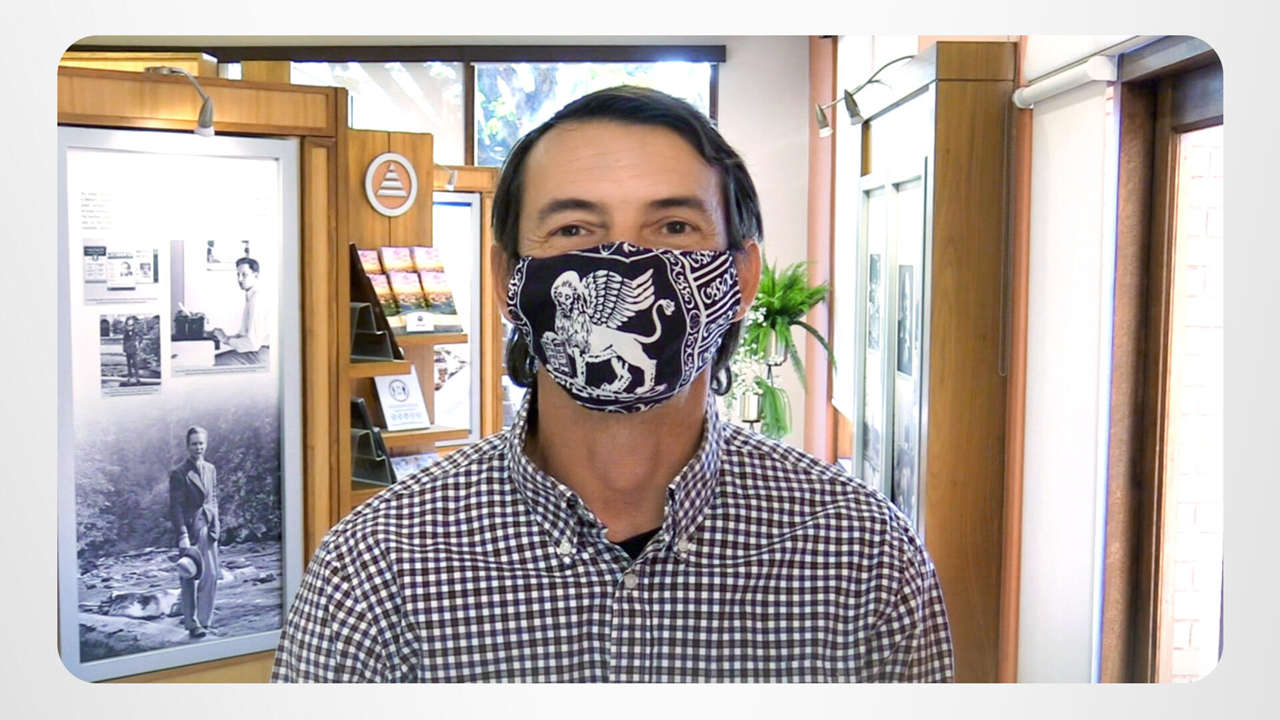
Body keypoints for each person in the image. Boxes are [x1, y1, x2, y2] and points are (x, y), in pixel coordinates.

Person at [272, 86, 953, 682]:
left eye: (674, 227)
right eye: (574, 228)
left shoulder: (865, 558)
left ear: (741, 278)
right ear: (506, 281)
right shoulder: (376, 569)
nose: (626, 260)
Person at [168, 425, 220, 638]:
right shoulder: (179, 473)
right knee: (188, 574)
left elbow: (213, 497)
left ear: (206, 444)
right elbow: (175, 507)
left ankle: (205, 622)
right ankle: (192, 623)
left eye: (201, 443)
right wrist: (182, 535)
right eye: (194, 444)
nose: (198, 447)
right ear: (187, 446)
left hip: (208, 526)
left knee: (212, 575)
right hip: (190, 530)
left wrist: (216, 522)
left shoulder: (211, 469)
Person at [212, 256, 271, 366]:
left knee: (211, 362)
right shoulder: (252, 296)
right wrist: (226, 337)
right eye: (238, 275)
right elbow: (245, 335)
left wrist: (225, 339)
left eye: (244, 275)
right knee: (210, 358)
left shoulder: (257, 299)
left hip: (260, 355)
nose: (239, 279)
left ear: (256, 275)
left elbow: (252, 344)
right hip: (257, 352)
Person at [120, 315, 141, 386]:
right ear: (126, 325)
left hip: (134, 349)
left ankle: (137, 377)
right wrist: (124, 350)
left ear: (133, 325)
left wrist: (138, 343)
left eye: (131, 325)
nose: (129, 326)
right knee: (128, 364)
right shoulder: (125, 332)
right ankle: (130, 376)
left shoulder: (136, 331)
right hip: (127, 350)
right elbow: (124, 341)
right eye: (128, 325)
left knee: (135, 363)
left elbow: (141, 337)